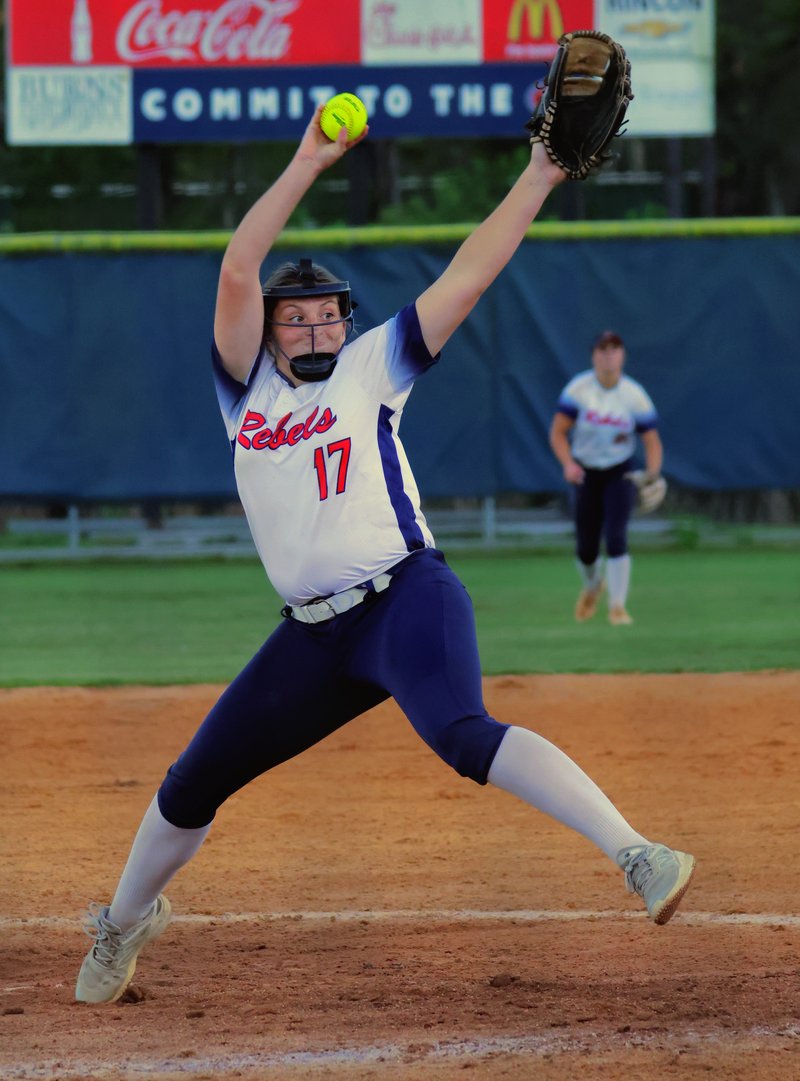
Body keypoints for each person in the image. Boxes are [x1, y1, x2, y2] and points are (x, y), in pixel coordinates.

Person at [75, 105, 694, 1005]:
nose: (318, 328)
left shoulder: (376, 366)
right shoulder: (243, 399)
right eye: (300, 318)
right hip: (312, 639)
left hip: (406, 598)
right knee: (192, 781)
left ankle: (639, 854)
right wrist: (306, 161)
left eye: (330, 315)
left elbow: (470, 276)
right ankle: (121, 926)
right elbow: (240, 266)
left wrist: (540, 176)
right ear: (272, 331)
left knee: (461, 733)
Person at [549, 331, 664, 626]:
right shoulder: (579, 389)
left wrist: (652, 474)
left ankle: (617, 607)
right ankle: (592, 586)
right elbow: (558, 432)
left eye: (614, 349)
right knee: (586, 548)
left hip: (619, 471)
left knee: (616, 537)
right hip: (585, 472)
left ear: (622, 355)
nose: (608, 355)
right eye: (603, 349)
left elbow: (652, 440)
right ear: (594, 355)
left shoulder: (633, 394)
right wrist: (568, 463)